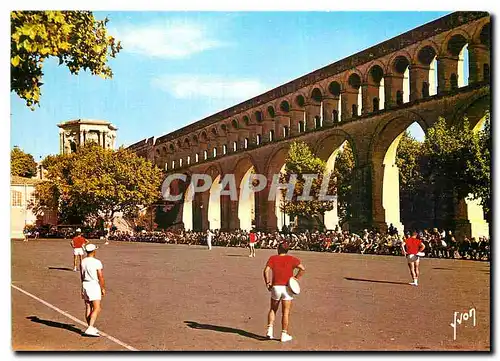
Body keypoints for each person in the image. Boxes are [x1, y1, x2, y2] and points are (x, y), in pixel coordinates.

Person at [263, 241, 306, 342]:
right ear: (287, 250)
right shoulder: (291, 259)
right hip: (287, 287)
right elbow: (302, 269)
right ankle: (284, 334)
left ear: (278, 249)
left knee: (273, 309)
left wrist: (267, 283)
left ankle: (269, 330)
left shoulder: (273, 258)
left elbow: (265, 271)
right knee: (285, 312)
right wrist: (296, 278)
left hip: (276, 286)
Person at [80, 244, 105, 336]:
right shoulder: (97, 262)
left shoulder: (83, 261)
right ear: (94, 251)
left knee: (88, 307)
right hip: (93, 284)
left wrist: (82, 286)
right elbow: (100, 276)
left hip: (85, 284)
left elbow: (81, 275)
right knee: (97, 308)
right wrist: (102, 288)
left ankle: (90, 326)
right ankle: (90, 327)